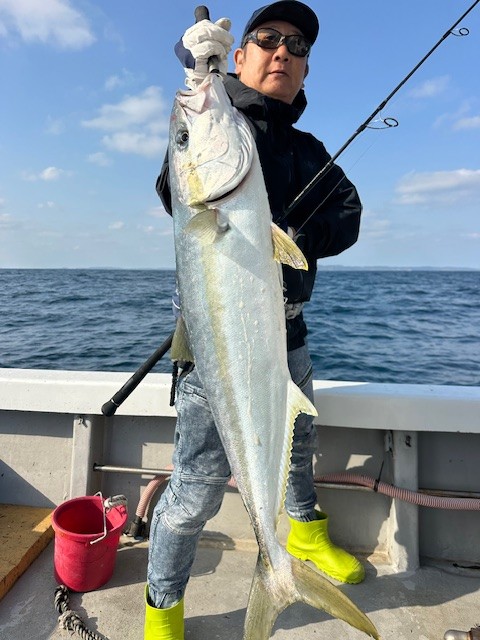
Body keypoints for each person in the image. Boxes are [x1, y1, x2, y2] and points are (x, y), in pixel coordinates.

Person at [145, 2, 364, 638]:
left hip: (287, 336)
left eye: (298, 47)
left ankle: (303, 541)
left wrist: (297, 232)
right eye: (268, 39)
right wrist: (199, 77)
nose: (283, 52)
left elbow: (348, 213)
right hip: (214, 349)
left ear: (305, 71)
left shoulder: (308, 149)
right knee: (195, 489)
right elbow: (175, 184)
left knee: (298, 453)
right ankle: (163, 607)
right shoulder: (222, 121)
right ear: (238, 56)